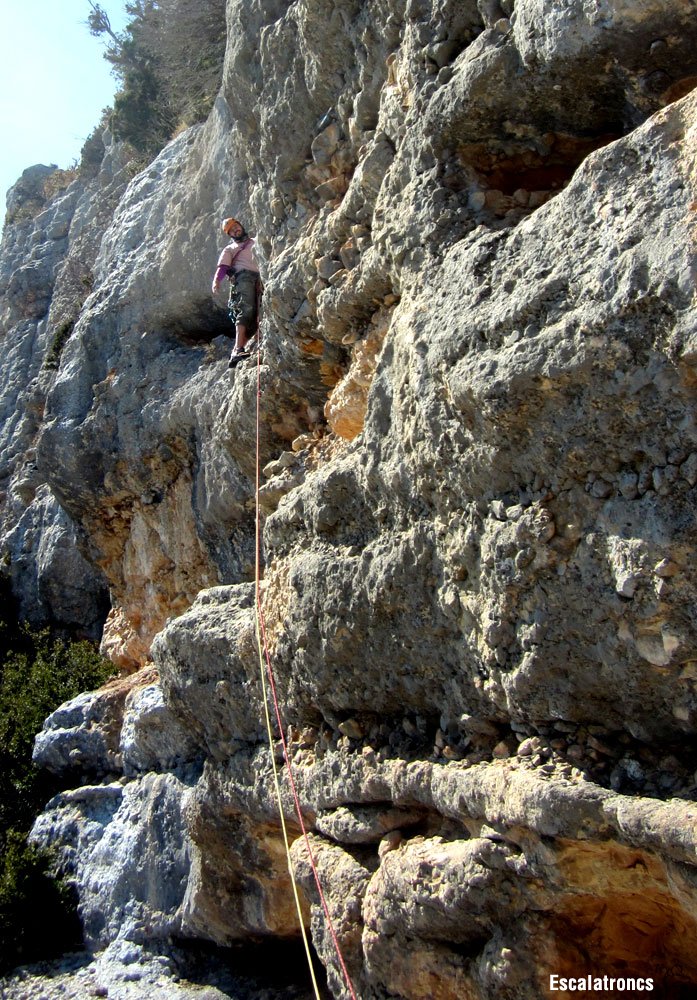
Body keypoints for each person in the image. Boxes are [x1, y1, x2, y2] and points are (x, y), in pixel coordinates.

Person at [212, 217, 261, 367]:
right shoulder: (230, 249)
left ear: (241, 225)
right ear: (230, 235)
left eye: (236, 226)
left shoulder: (255, 241)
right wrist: (216, 281)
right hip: (243, 278)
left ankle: (237, 351)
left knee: (254, 317)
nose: (235, 230)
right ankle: (238, 349)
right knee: (246, 309)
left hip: (259, 278)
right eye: (232, 230)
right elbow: (223, 268)